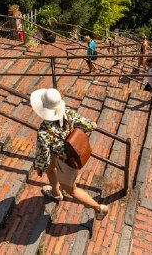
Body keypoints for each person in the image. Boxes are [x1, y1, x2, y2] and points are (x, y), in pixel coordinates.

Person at [31, 87, 108, 220]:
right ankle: (56, 193)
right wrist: (91, 124)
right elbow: (85, 124)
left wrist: (39, 167)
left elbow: (43, 155)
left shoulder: (44, 131)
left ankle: (99, 208)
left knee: (71, 189)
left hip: (65, 162)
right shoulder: (67, 113)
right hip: (67, 154)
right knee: (50, 169)